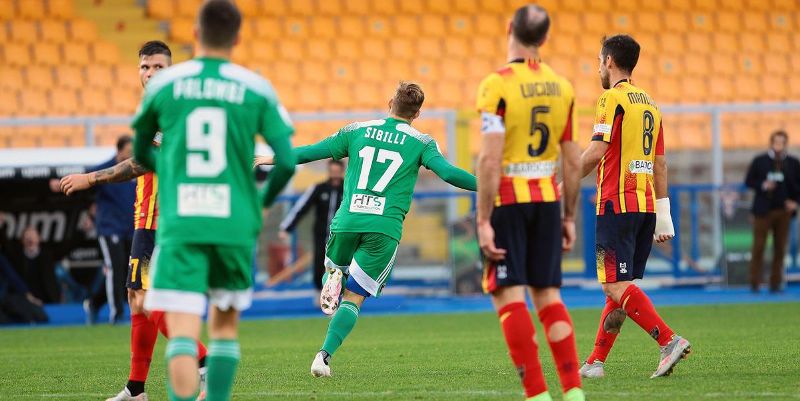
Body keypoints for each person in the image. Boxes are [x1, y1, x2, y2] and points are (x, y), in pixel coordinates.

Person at [132, 1, 296, 400]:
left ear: (194, 34)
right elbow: (287, 161)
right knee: (224, 328)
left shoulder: (166, 86)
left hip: (182, 221)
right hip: (234, 221)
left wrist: (170, 173)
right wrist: (258, 204)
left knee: (183, 330)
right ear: (237, 38)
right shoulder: (255, 87)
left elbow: (141, 150)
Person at [256, 81, 476, 378]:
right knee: (354, 298)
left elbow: (312, 152)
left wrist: (274, 157)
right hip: (384, 228)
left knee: (334, 268)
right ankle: (323, 356)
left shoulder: (356, 130)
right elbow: (449, 174)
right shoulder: (422, 142)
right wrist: (489, 186)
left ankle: (333, 274)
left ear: (390, 103)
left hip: (348, 219)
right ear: (417, 114)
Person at [60, 41, 210, 401]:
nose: (151, 74)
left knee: (146, 299)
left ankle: (204, 361)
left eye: (159, 67)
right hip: (148, 220)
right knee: (135, 297)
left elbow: (140, 163)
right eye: (145, 67)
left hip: (164, 222)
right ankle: (136, 389)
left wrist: (91, 178)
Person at [474, 5, 584, 401]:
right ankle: (573, 392)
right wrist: (569, 215)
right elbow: (571, 160)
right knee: (549, 296)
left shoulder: (496, 85)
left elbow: (489, 158)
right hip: (547, 200)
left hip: (508, 200)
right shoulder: (563, 87)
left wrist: (483, 219)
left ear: (509, 29)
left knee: (508, 295)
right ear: (545, 39)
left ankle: (537, 395)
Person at [578, 34, 691, 379]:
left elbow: (596, 152)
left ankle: (668, 341)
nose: (599, 67)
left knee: (613, 285)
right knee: (619, 288)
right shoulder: (652, 105)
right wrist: (662, 215)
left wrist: (563, 180)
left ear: (610, 61)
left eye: (599, 61)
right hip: (643, 207)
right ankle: (595, 362)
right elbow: (660, 165)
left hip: (615, 204)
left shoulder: (610, 99)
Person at [83, 134, 136, 323]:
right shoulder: (105, 170)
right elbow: (86, 182)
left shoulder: (136, 170)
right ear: (119, 150)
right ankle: (117, 314)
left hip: (132, 228)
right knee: (115, 268)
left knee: (129, 272)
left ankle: (94, 303)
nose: (132, 155)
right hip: (110, 228)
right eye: (129, 151)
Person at [278, 159, 344, 302]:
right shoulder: (319, 188)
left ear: (342, 171)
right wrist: (287, 228)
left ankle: (338, 295)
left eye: (337, 172)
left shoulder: (348, 189)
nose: (334, 175)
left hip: (342, 236)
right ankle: (318, 292)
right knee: (320, 262)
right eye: (332, 171)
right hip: (321, 234)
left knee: (341, 264)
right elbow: (301, 208)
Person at [744, 130, 800, 293]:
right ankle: (754, 282)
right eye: (776, 142)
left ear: (785, 144)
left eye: (781, 143)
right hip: (763, 211)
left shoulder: (793, 163)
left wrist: (795, 202)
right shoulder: (760, 161)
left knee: (780, 248)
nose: (778, 146)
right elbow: (749, 181)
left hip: (783, 211)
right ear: (771, 143)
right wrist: (763, 185)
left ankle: (775, 282)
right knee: (759, 246)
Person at [8, 226, 61, 304]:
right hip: (24, 302)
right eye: (27, 237)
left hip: (48, 300)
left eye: (33, 236)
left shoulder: (48, 255)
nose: (30, 239)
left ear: (39, 238)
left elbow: (68, 247)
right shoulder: (17, 258)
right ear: (22, 240)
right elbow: (6, 247)